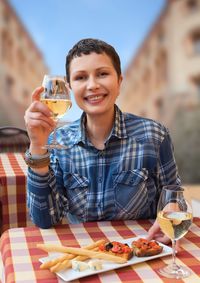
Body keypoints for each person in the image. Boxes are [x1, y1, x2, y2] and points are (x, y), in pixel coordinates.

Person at [24, 38, 181, 246]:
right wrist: (37, 146)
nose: (92, 85)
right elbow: (44, 219)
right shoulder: (58, 142)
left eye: (102, 74)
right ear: (70, 87)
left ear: (119, 81)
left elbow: (173, 194)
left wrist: (172, 209)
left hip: (142, 251)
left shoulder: (154, 135)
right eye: (81, 77)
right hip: (85, 259)